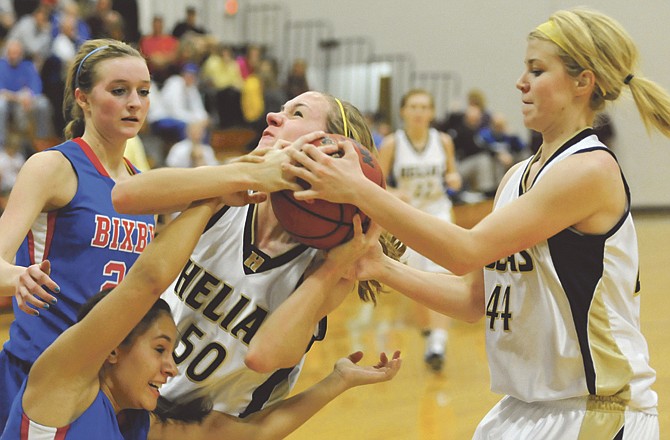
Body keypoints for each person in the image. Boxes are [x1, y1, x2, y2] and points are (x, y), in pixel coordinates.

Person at [284, 8, 670, 438]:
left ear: (584, 82)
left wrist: (359, 190)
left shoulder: (590, 169)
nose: (520, 82)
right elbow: (475, 299)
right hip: (522, 411)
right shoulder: (515, 178)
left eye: (537, 70)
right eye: (525, 68)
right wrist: (380, 266)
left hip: (596, 412)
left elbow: (465, 250)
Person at [111, 90, 405, 422]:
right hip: (130, 400)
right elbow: (124, 196)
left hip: (212, 428)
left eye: (296, 114)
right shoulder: (229, 193)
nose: (273, 117)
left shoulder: (329, 262)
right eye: (281, 109)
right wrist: (239, 175)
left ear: (331, 144)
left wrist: (334, 266)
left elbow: (263, 357)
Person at [1, 197, 402, 439]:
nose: (171, 368)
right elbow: (145, 280)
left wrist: (338, 381)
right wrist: (224, 187)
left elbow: (245, 433)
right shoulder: (62, 378)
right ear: (112, 349)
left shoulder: (138, 422)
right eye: (160, 349)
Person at [0, 38, 156, 430]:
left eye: (143, 91)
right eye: (118, 91)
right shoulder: (53, 166)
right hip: (41, 374)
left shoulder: (144, 187)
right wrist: (20, 276)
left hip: (111, 386)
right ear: (82, 98)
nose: (134, 102)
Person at [377, 88, 461, 372]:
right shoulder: (392, 144)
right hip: (409, 219)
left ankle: (438, 342)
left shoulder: (443, 141)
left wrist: (454, 177)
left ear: (432, 112)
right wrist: (394, 192)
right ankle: (429, 330)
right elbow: (374, 183)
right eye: (413, 106)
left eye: (424, 107)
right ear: (403, 111)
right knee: (416, 283)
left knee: (441, 275)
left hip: (438, 214)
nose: (419, 112)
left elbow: (452, 173)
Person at [0, 38, 53, 150]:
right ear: (6, 53)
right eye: (11, 53)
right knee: (1, 105)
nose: (13, 56)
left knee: (43, 103)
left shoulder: (28, 66)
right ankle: (2, 142)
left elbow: (36, 87)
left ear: (21, 54)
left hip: (26, 100)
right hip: (9, 101)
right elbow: (1, 91)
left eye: (16, 53)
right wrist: (18, 97)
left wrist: (29, 96)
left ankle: (41, 138)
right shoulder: (1, 65)